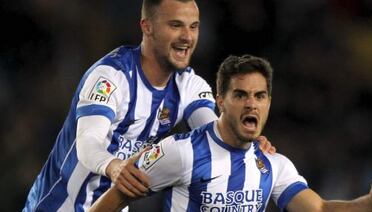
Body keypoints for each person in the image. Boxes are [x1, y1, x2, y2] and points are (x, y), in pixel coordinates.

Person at [23, 0, 275, 211]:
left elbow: (214, 131)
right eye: (176, 25)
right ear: (147, 27)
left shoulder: (189, 85)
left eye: (194, 26)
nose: (187, 37)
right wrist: (114, 165)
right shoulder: (111, 76)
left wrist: (244, 142)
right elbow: (88, 143)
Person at [89, 54, 372, 212]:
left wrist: (370, 203)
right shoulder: (180, 152)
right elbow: (115, 198)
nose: (251, 104)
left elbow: (319, 208)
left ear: (268, 102)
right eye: (240, 95)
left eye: (259, 96)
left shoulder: (273, 164)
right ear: (221, 100)